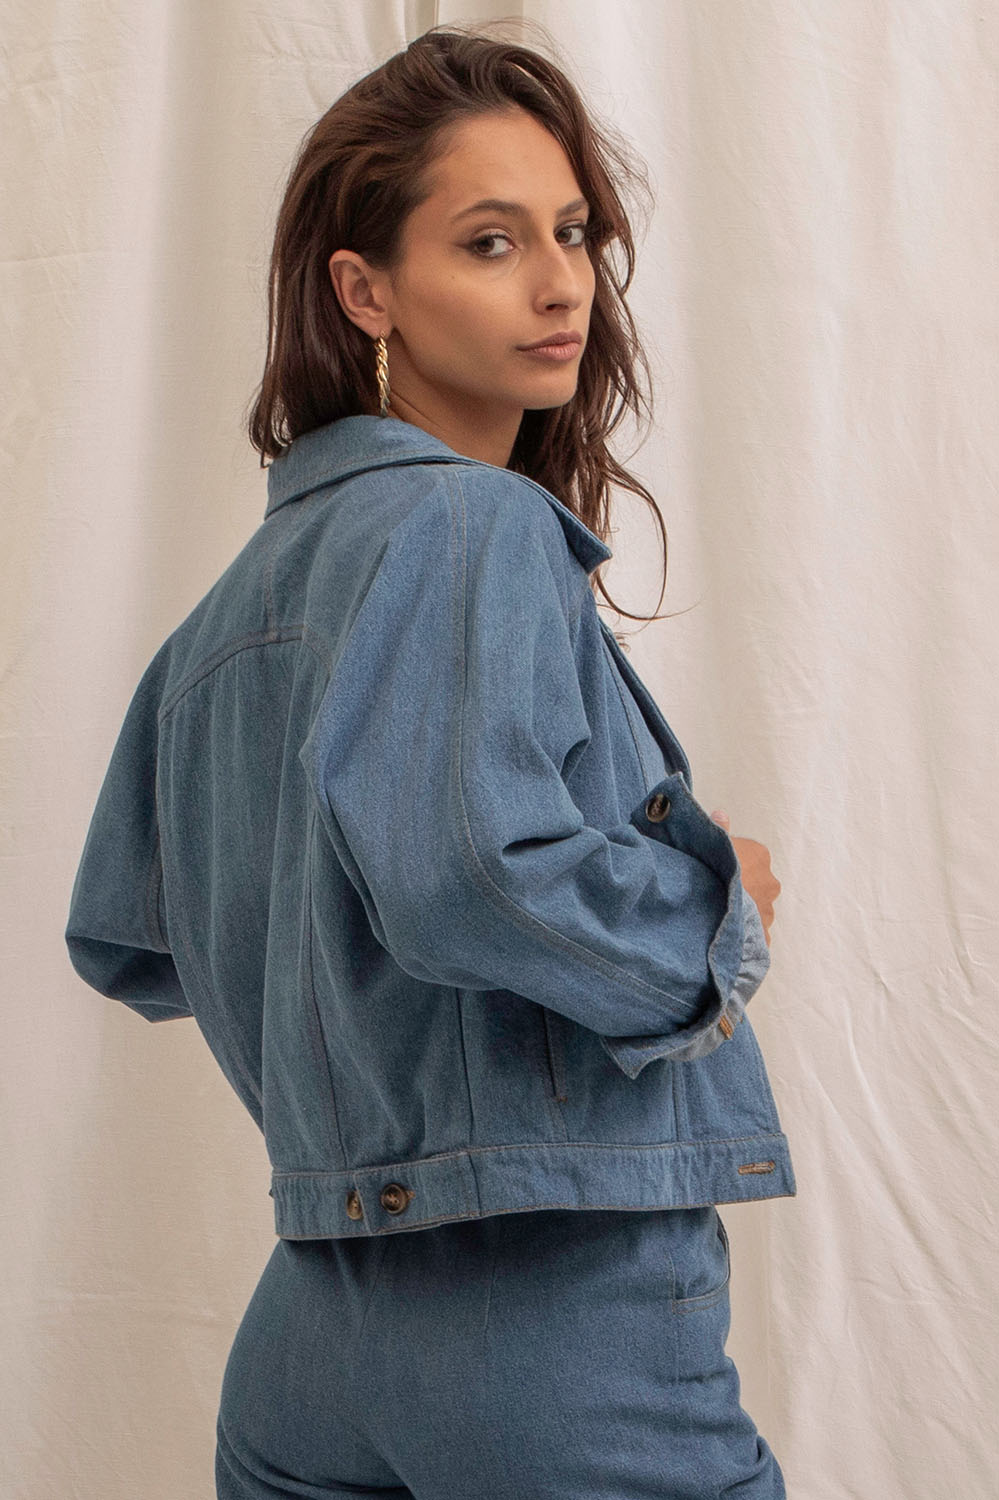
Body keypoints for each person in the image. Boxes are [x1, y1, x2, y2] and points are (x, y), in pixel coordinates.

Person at [65, 23, 795, 1500]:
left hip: (306, 1341)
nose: (559, 280)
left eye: (574, 231)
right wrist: (712, 913)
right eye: (488, 240)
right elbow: (474, 876)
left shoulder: (225, 622)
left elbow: (135, 940)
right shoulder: (475, 525)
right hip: (547, 1320)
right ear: (364, 289)